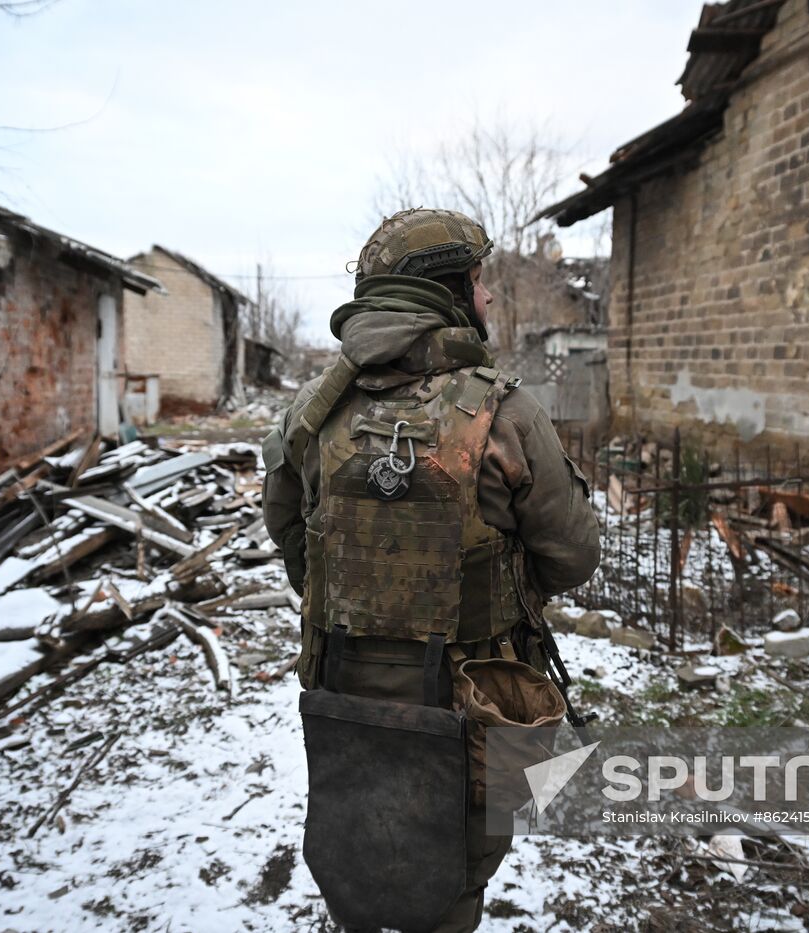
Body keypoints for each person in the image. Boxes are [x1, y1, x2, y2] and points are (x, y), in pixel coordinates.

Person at [262, 208, 600, 932]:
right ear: (446, 291)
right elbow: (573, 556)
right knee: (458, 878)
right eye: (478, 280)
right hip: (473, 699)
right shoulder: (506, 413)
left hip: (342, 690)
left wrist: (359, 599)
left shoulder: (313, 411)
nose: (488, 296)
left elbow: (290, 535)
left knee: (356, 849)